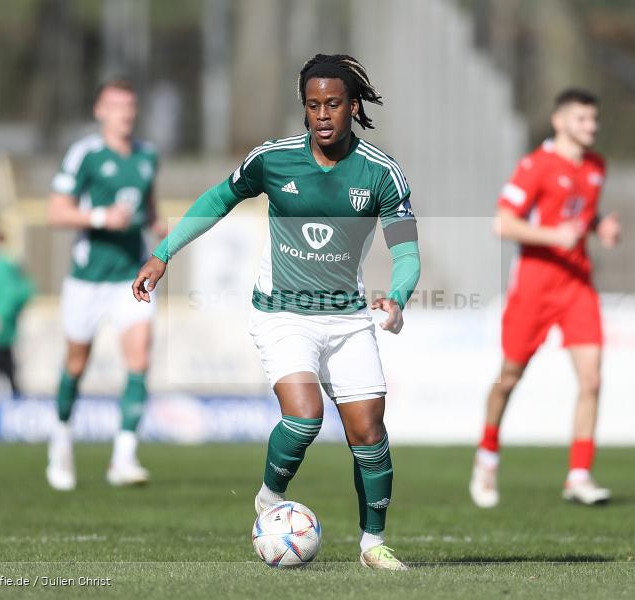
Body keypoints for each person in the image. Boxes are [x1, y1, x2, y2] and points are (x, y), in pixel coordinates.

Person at [133, 54, 421, 570]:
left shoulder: (381, 172)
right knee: (305, 416)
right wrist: (163, 254)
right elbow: (217, 200)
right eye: (313, 105)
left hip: (348, 318)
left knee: (369, 432)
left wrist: (397, 298)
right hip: (282, 314)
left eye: (334, 104)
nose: (323, 115)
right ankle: (270, 497)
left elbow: (407, 252)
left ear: (354, 107)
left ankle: (372, 544)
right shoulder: (272, 159)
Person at [470, 89, 622, 508]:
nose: (591, 126)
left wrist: (600, 227)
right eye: (582, 119)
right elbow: (502, 224)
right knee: (508, 379)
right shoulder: (535, 166)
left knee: (592, 379)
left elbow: (581, 212)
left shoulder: (596, 166)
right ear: (560, 121)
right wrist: (553, 236)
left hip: (577, 285)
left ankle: (579, 476)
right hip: (534, 287)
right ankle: (487, 457)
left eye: (594, 119)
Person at [46, 78, 164, 491]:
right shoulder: (86, 154)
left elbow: (149, 208)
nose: (124, 113)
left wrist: (160, 227)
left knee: (139, 358)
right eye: (116, 106)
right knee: (76, 364)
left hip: (130, 276)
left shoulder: (148, 155)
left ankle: (124, 457)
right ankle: (61, 439)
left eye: (130, 106)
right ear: (100, 111)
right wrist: (100, 218)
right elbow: (55, 212)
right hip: (88, 279)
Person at [0, 228, 35, 400]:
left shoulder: (0, 264)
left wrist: (3, 312)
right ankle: (10, 393)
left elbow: (20, 290)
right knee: (3, 355)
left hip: (0, 317)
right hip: (0, 315)